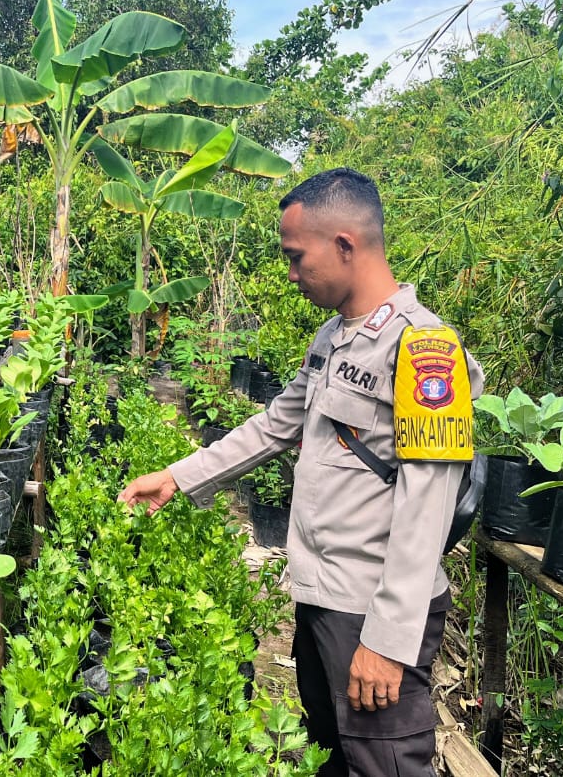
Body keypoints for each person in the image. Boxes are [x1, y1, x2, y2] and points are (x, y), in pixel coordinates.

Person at [118, 168, 483, 776]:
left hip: (372, 610)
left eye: (295, 257)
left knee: (384, 763)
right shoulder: (334, 338)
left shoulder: (424, 352)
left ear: (345, 244)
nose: (291, 275)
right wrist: (179, 477)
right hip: (322, 597)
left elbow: (428, 504)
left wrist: (388, 643)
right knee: (332, 753)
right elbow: (273, 426)